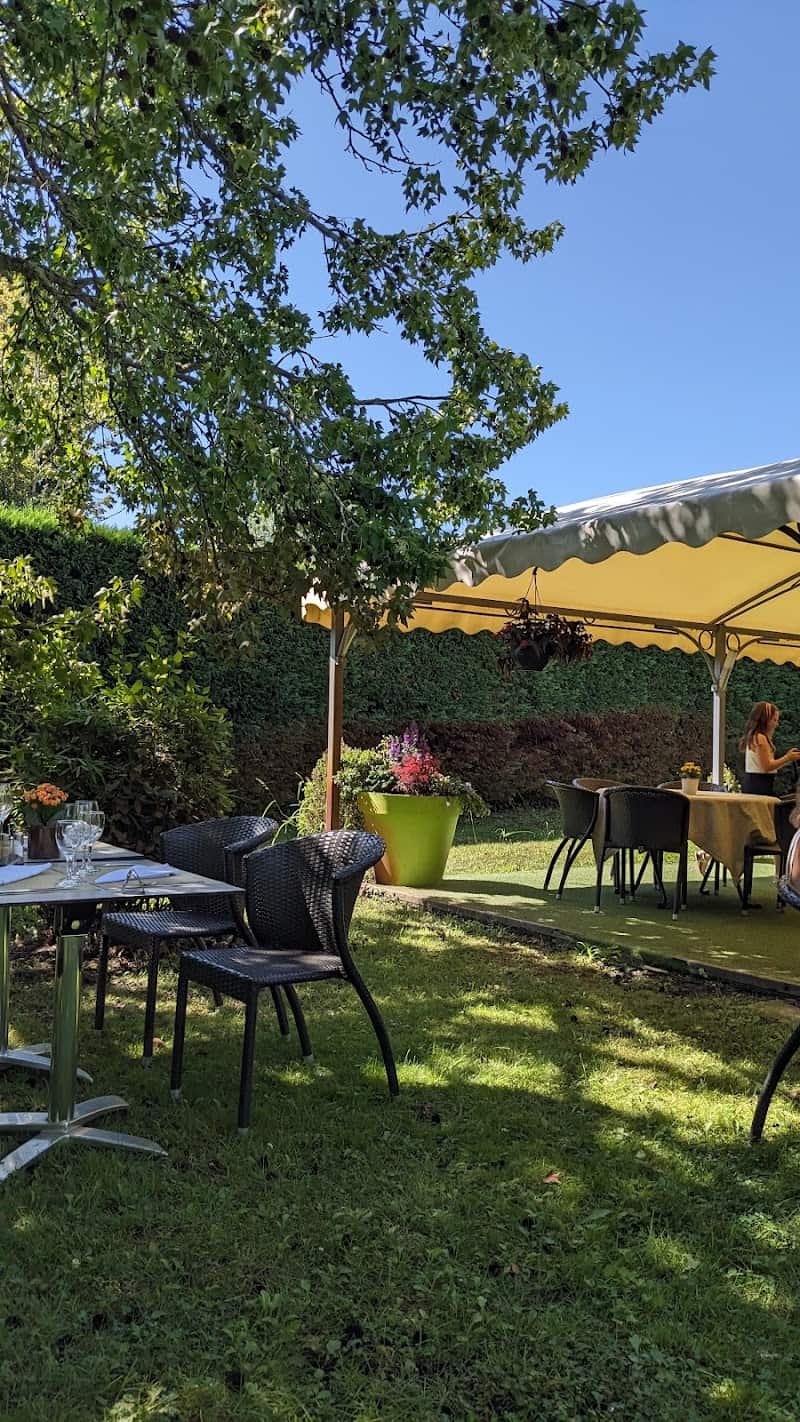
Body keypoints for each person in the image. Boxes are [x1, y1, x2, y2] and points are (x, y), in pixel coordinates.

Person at [739, 701, 800, 795]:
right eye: (774, 720)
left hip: (755, 783)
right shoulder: (760, 738)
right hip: (759, 785)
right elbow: (766, 767)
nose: (776, 724)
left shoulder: (756, 737)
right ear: (765, 720)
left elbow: (768, 765)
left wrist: (789, 759)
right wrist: (788, 758)